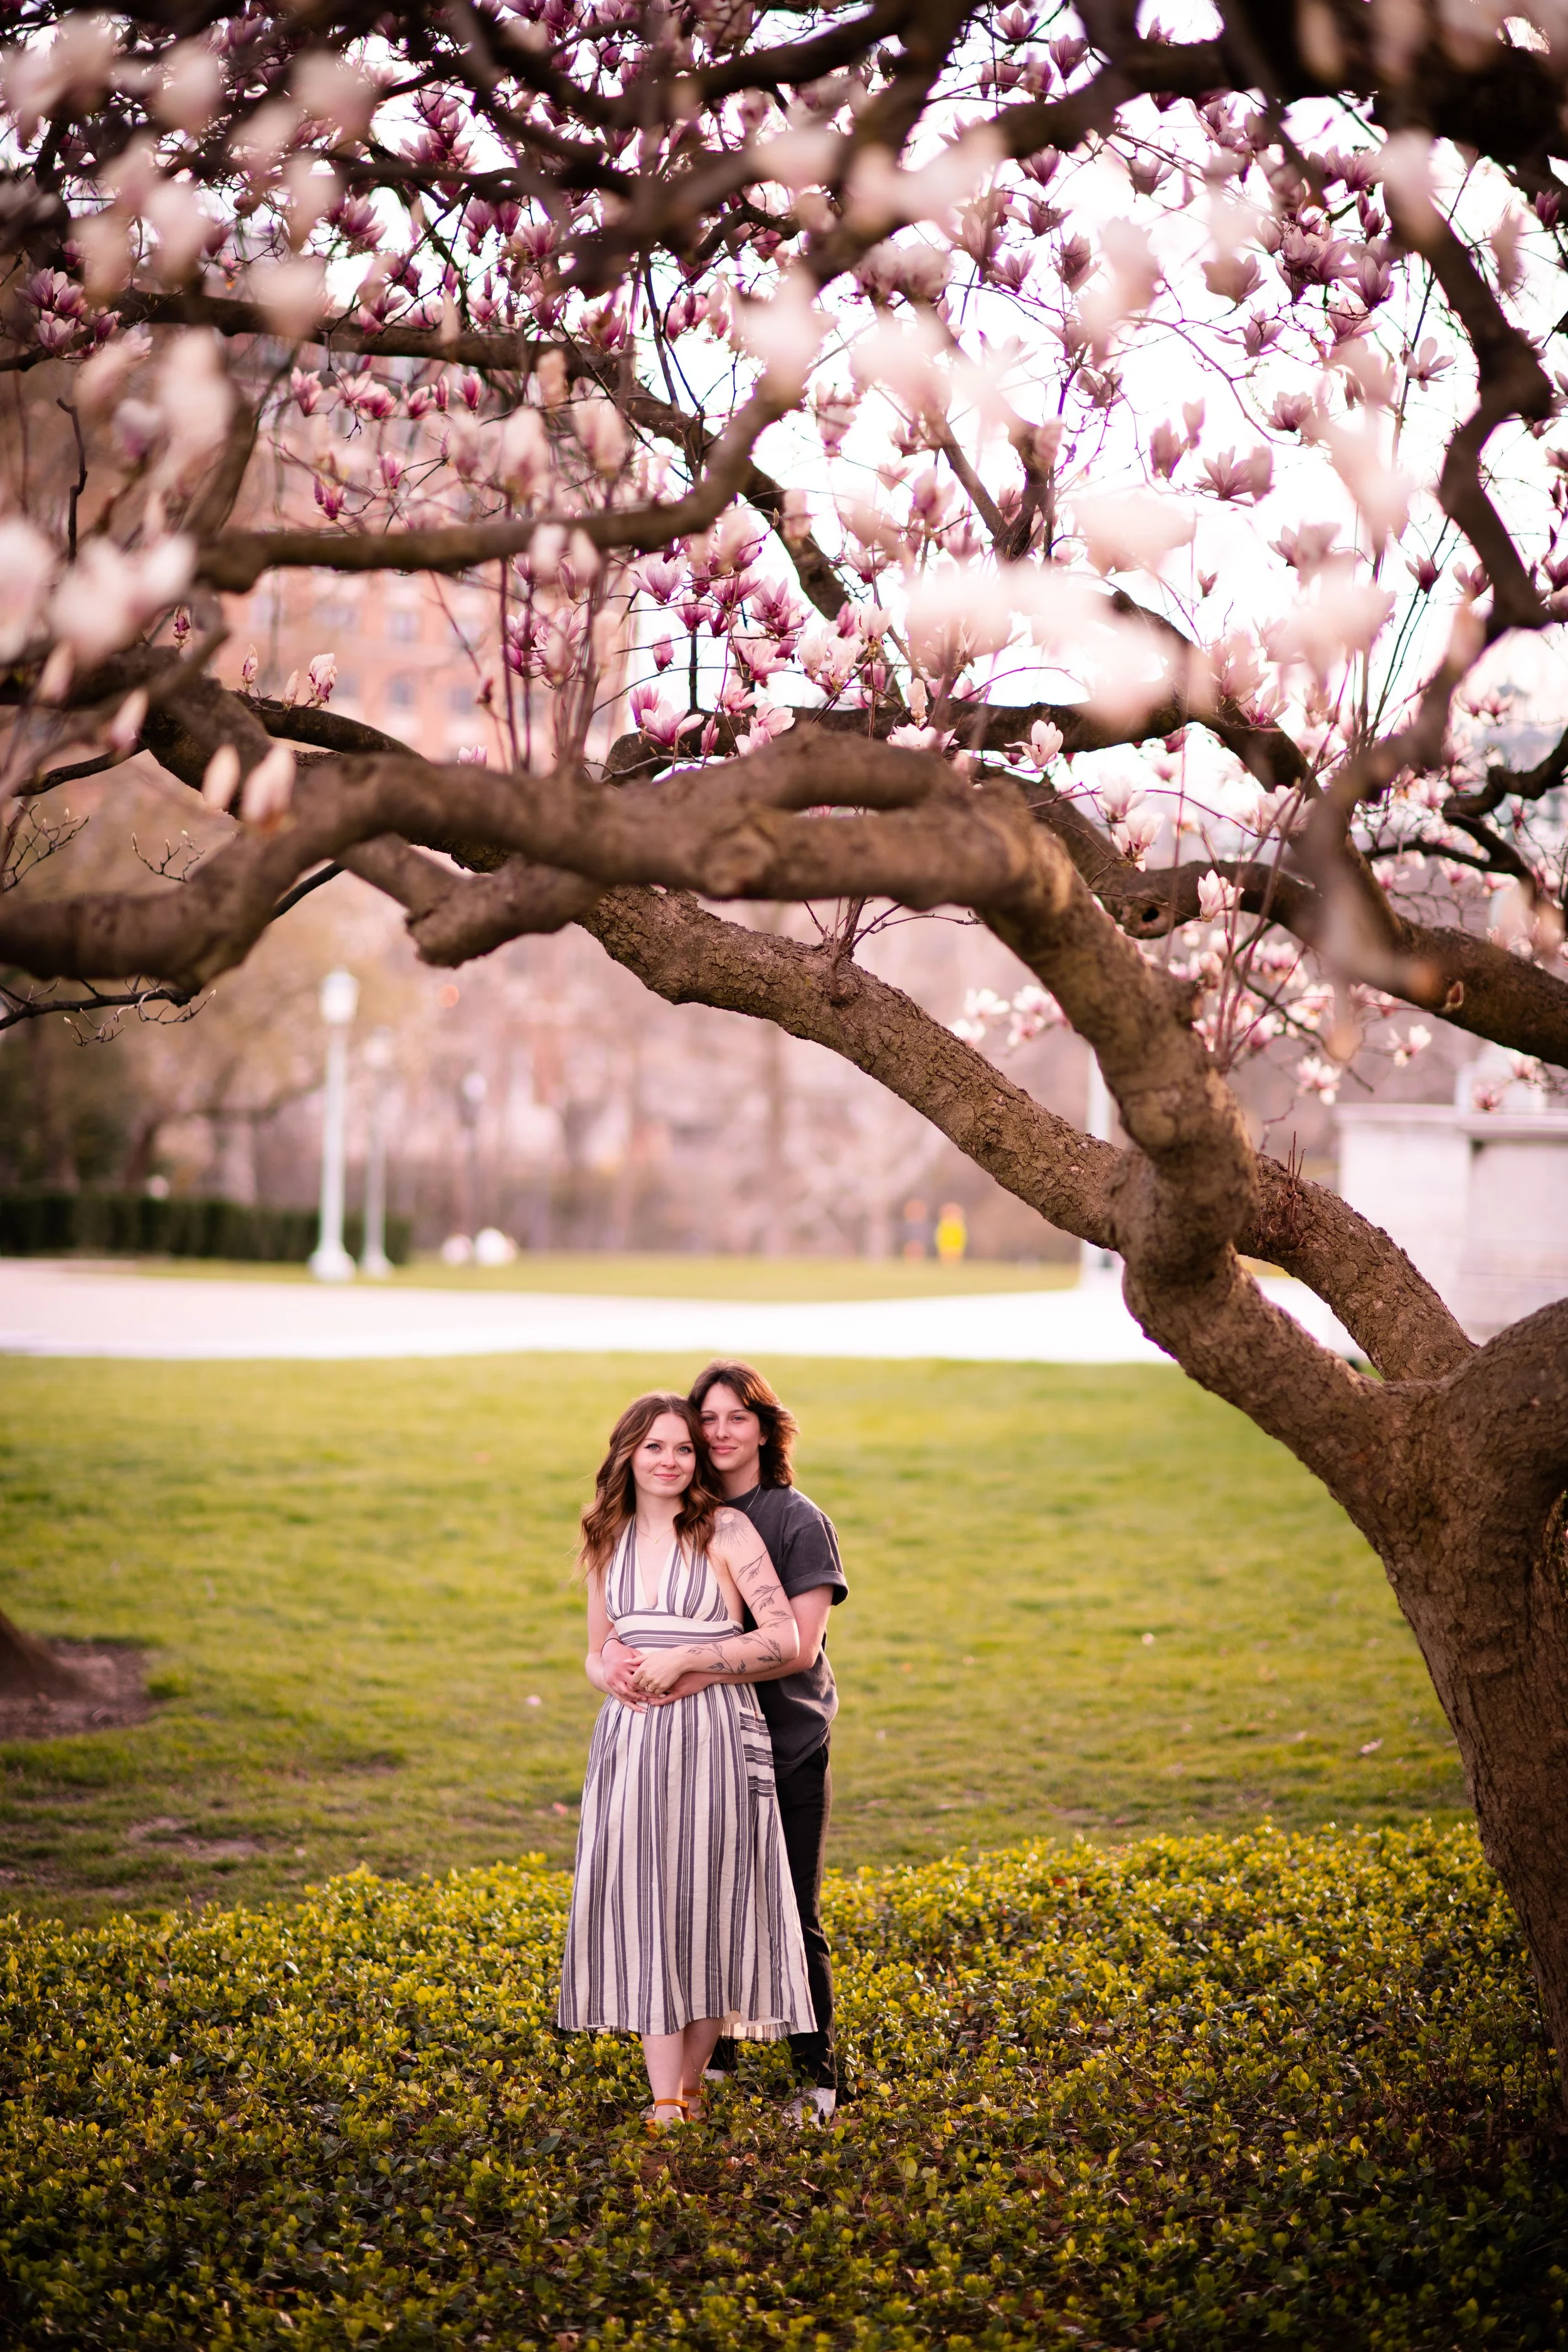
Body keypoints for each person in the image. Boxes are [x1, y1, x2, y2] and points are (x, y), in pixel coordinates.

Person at [556, 1391, 815, 2128]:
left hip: (716, 1738)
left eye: (681, 1448)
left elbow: (784, 1640)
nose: (669, 1461)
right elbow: (595, 1647)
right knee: (645, 1908)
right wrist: (606, 1673)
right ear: (627, 1456)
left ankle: (683, 2094)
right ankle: (666, 2097)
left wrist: (689, 1661)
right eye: (654, 1448)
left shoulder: (726, 1530)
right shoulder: (606, 1537)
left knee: (705, 1909)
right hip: (631, 1745)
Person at [609, 1361, 849, 2122]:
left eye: (735, 1418)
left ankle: (822, 2079)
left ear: (764, 1428)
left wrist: (687, 1663)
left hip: (786, 1740)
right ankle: (712, 2065)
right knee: (703, 1899)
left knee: (787, 1908)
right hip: (697, 1743)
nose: (717, 1433)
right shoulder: (688, 1510)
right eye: (704, 1419)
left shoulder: (792, 1519)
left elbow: (798, 1647)